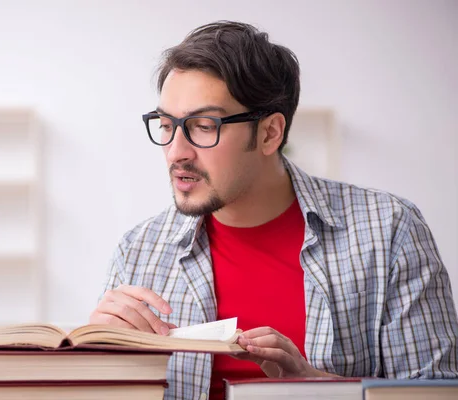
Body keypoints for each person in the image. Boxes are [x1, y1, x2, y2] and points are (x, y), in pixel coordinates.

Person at [89, 20, 458, 400]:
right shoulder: (136, 253)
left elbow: (435, 394)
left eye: (202, 126)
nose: (176, 151)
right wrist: (95, 361)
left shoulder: (389, 231)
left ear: (269, 133)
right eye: (166, 124)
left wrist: (317, 389)